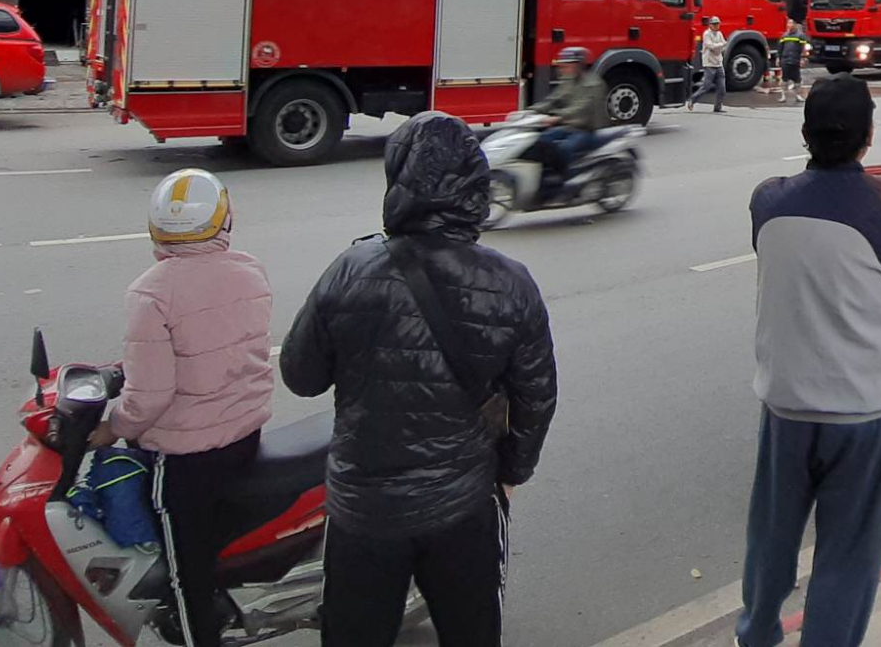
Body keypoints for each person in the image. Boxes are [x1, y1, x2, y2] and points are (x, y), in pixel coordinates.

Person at [282, 113, 557, 647]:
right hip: (463, 505)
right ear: (474, 184)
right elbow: (537, 397)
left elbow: (300, 375)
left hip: (362, 512)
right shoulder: (510, 283)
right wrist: (511, 473)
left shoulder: (351, 268)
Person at [739, 75, 881, 647]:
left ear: (806, 133)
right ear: (869, 137)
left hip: (787, 406)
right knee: (847, 557)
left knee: (771, 540)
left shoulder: (767, 199)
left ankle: (757, 635)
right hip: (866, 411)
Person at [85, 171, 272, 647]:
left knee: (186, 573)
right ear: (223, 218)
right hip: (245, 435)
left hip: (187, 458)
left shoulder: (151, 292)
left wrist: (112, 427)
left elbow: (149, 397)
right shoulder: (249, 269)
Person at [522, 45, 607, 195]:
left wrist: (558, 117)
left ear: (579, 65)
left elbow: (581, 108)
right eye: (562, 66)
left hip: (586, 129)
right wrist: (530, 111)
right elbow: (553, 100)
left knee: (565, 148)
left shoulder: (593, 84)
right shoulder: (568, 81)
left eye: (567, 65)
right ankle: (546, 179)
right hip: (567, 126)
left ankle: (565, 182)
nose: (563, 69)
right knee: (541, 141)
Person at [689, 16, 730, 112]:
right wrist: (720, 46)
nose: (716, 26)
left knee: (722, 88)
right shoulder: (706, 34)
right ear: (710, 25)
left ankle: (718, 107)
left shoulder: (719, 34)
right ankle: (693, 100)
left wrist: (719, 46)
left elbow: (723, 45)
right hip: (709, 64)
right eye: (714, 24)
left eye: (717, 24)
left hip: (719, 63)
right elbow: (711, 46)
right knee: (706, 86)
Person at [776, 18, 808, 104]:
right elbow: (780, 48)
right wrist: (778, 58)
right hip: (785, 60)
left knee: (797, 79)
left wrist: (803, 59)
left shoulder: (800, 35)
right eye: (788, 23)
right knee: (784, 79)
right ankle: (783, 96)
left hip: (795, 60)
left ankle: (798, 96)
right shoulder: (784, 36)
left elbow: (803, 48)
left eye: (790, 23)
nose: (788, 25)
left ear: (794, 25)